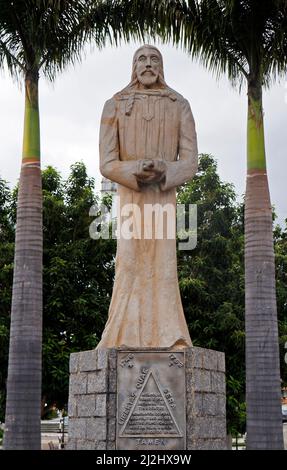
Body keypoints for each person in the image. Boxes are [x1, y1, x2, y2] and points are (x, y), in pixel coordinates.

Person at [97, 45, 198, 349]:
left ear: (162, 66)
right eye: (142, 59)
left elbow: (191, 162)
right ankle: (123, 336)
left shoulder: (179, 104)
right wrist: (135, 169)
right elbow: (106, 163)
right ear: (133, 66)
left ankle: (170, 336)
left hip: (164, 198)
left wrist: (165, 169)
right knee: (128, 263)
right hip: (131, 198)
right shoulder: (115, 104)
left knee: (164, 265)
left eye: (154, 59)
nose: (148, 64)